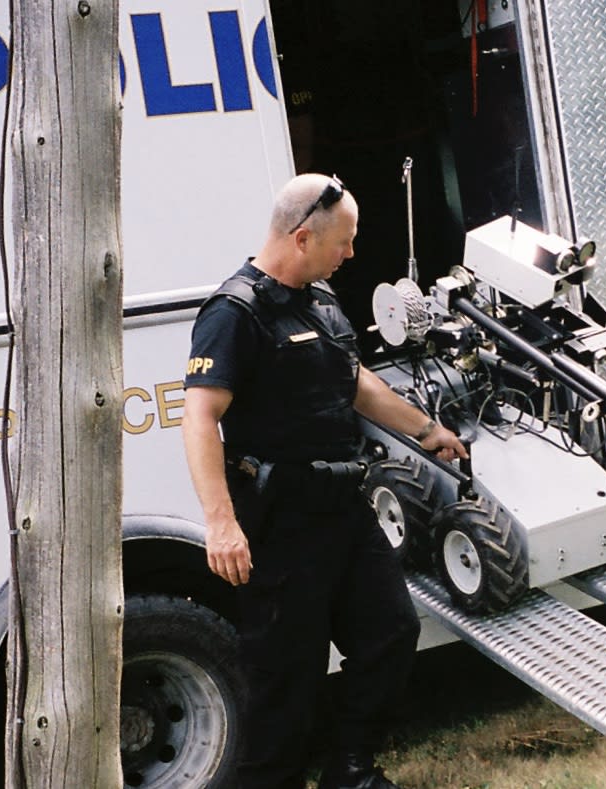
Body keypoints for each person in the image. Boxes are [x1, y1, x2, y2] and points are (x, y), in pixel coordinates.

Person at [182, 173, 468, 789]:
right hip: (280, 522)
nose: (352, 253)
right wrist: (220, 521)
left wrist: (426, 431)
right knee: (287, 678)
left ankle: (351, 770)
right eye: (345, 240)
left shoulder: (323, 301)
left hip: (345, 507)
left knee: (391, 633)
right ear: (304, 236)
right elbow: (200, 417)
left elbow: (356, 381)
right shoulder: (234, 313)